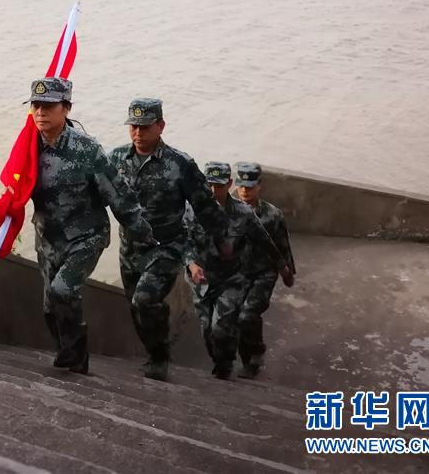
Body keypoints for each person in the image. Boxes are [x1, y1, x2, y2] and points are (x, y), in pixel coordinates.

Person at [27, 77, 159, 375]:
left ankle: (76, 354)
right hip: (48, 238)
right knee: (50, 307)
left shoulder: (86, 149)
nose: (41, 112)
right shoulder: (27, 145)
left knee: (63, 290)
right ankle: (71, 354)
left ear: (66, 109)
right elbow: (15, 186)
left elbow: (119, 196)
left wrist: (145, 237)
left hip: (85, 237)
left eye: (49, 106)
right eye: (36, 105)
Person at [108, 98, 230, 381]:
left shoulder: (180, 164)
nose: (138, 132)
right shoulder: (115, 159)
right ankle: (156, 347)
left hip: (166, 247)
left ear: (161, 126)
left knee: (144, 299)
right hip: (130, 249)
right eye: (133, 126)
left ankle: (159, 358)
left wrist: (221, 245)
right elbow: (98, 193)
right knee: (137, 307)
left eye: (145, 126)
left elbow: (206, 208)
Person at [183, 162, 292, 379]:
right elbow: (181, 240)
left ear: (228, 184)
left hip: (232, 279)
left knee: (227, 324)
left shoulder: (245, 213)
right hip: (202, 281)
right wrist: (191, 264)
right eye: (209, 185)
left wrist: (284, 268)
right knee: (207, 330)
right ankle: (221, 360)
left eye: (219, 185)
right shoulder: (191, 210)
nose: (213, 191)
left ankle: (230, 364)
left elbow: (268, 242)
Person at [233, 162, 297, 379]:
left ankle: (252, 360)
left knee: (247, 315)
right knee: (238, 318)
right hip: (236, 274)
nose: (245, 191)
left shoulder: (272, 215)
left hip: (264, 273)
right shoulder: (224, 211)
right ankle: (252, 351)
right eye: (242, 186)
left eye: (250, 186)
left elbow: (283, 245)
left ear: (259, 186)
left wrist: (288, 272)